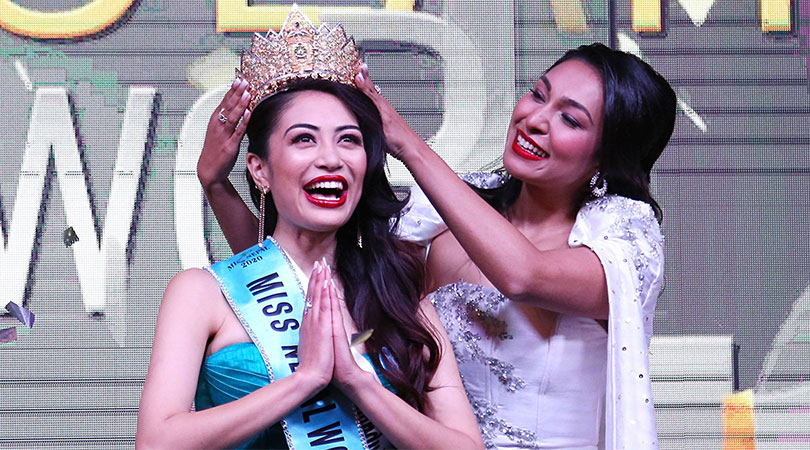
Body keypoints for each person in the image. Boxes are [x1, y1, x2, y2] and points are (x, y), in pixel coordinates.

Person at [200, 41, 676, 449]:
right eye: (537, 94)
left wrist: (407, 143)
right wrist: (217, 186)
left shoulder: (619, 247)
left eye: (570, 119)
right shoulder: (438, 220)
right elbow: (305, 284)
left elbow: (521, 276)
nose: (535, 119)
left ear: (607, 156)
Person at [137, 8, 483, 450]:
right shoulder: (202, 293)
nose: (331, 158)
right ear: (259, 170)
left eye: (349, 139)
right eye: (304, 138)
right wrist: (305, 380)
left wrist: (360, 385)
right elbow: (157, 442)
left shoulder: (399, 297)